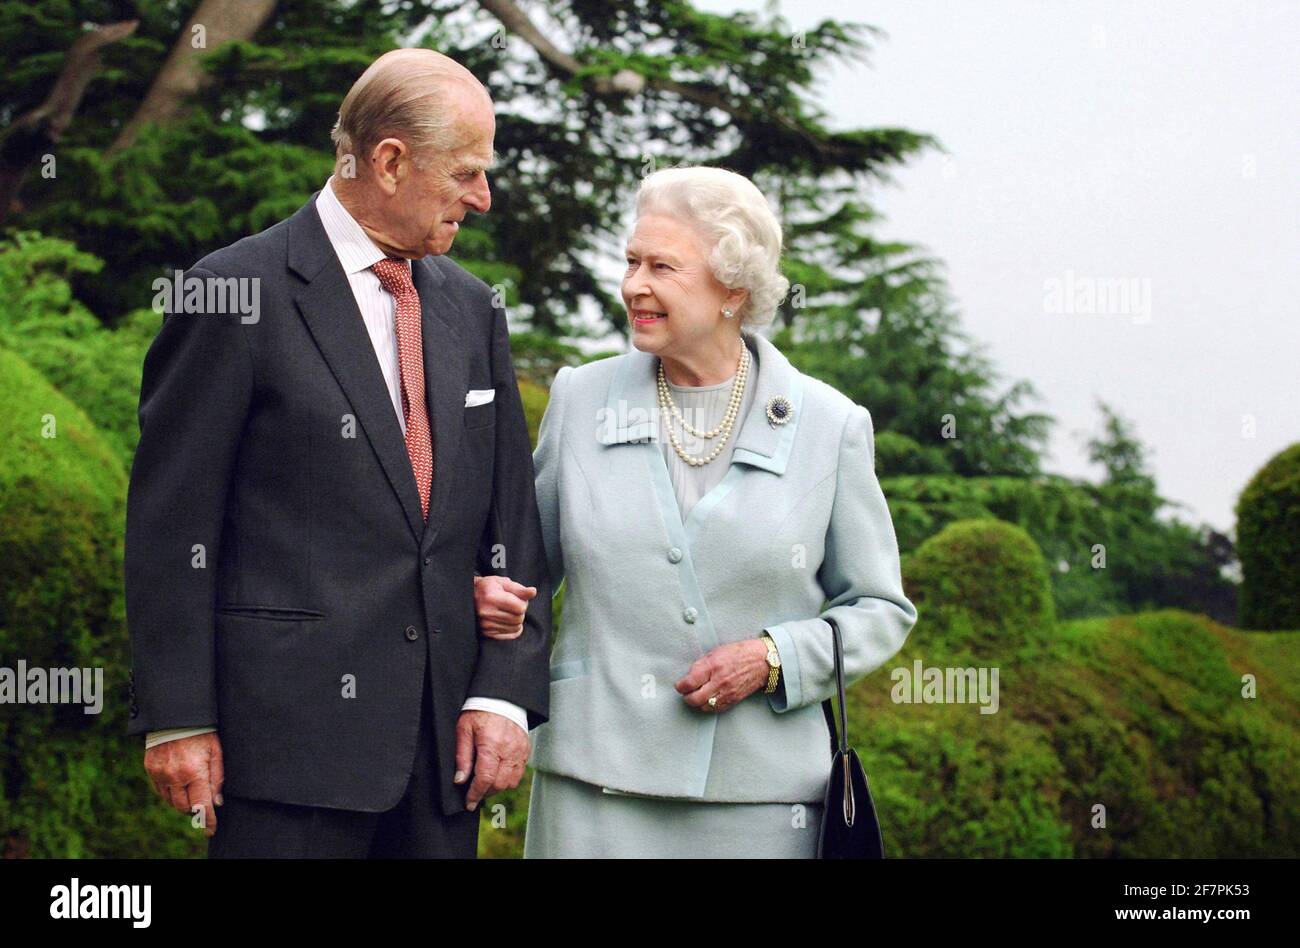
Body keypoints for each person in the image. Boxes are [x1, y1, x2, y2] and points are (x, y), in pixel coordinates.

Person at [125, 48, 550, 858]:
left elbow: (511, 519)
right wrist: (178, 716)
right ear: (389, 160)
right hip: (284, 756)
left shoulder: (472, 307)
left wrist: (504, 694)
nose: (484, 198)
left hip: (442, 760)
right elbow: (171, 527)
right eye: (467, 171)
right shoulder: (230, 293)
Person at [473, 166, 918, 858]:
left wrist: (774, 657)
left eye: (662, 267)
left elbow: (878, 608)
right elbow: (522, 570)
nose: (633, 285)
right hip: (594, 791)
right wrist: (487, 590)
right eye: (630, 262)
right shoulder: (581, 400)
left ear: (732, 291)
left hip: (762, 804)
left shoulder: (829, 424)